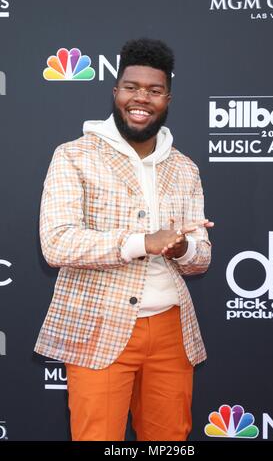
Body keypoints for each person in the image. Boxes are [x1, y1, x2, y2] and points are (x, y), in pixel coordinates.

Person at [34, 38, 214, 441]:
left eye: (154, 91)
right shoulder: (74, 155)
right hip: (99, 323)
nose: (141, 99)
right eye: (132, 87)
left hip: (171, 328)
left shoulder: (185, 167)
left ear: (167, 98)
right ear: (115, 92)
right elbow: (57, 243)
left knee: (170, 439)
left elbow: (201, 257)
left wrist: (183, 248)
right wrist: (140, 242)